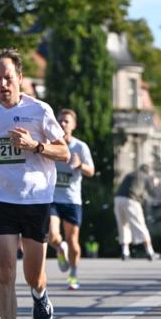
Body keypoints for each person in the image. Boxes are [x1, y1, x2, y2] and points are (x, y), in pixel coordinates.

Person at [0, 47, 69, 319]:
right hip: (1, 199)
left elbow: (64, 152)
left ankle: (40, 295)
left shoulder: (39, 110)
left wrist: (35, 146)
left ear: (20, 78)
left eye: (8, 78)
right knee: (4, 270)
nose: (3, 84)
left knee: (33, 275)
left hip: (36, 200)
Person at [48, 109, 95, 290]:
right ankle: (60, 248)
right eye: (60, 120)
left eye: (66, 121)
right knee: (52, 235)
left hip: (72, 200)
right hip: (52, 198)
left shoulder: (80, 147)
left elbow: (91, 171)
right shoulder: (51, 144)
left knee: (73, 239)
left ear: (74, 125)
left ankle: (73, 275)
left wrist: (80, 165)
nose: (62, 124)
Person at [113, 163, 157, 262]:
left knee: (123, 226)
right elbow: (152, 192)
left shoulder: (130, 174)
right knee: (140, 225)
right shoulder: (146, 176)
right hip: (131, 200)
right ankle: (150, 252)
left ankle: (125, 252)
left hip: (118, 199)